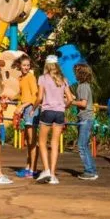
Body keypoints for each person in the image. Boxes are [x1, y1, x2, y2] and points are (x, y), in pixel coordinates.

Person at [35, 55, 73, 185]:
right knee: (55, 143)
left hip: (47, 111)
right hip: (59, 113)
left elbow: (39, 98)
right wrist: (63, 106)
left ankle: (45, 169)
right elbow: (70, 99)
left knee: (42, 142)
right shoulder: (63, 79)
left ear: (46, 65)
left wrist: (33, 108)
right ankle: (53, 174)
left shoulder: (42, 78)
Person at [13, 54, 39, 178]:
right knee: (29, 141)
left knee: (32, 140)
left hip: (31, 108)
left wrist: (24, 106)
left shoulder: (31, 77)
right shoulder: (21, 78)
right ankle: (28, 167)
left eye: (28, 65)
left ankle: (32, 169)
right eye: (24, 65)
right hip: (25, 108)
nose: (26, 67)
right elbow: (22, 95)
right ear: (20, 66)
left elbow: (35, 96)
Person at [71, 62, 97, 180]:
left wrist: (71, 102)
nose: (74, 74)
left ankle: (89, 171)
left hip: (86, 118)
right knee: (85, 145)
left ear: (80, 73)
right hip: (85, 118)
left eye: (75, 72)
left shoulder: (83, 86)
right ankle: (91, 169)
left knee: (81, 145)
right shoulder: (83, 86)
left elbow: (83, 103)